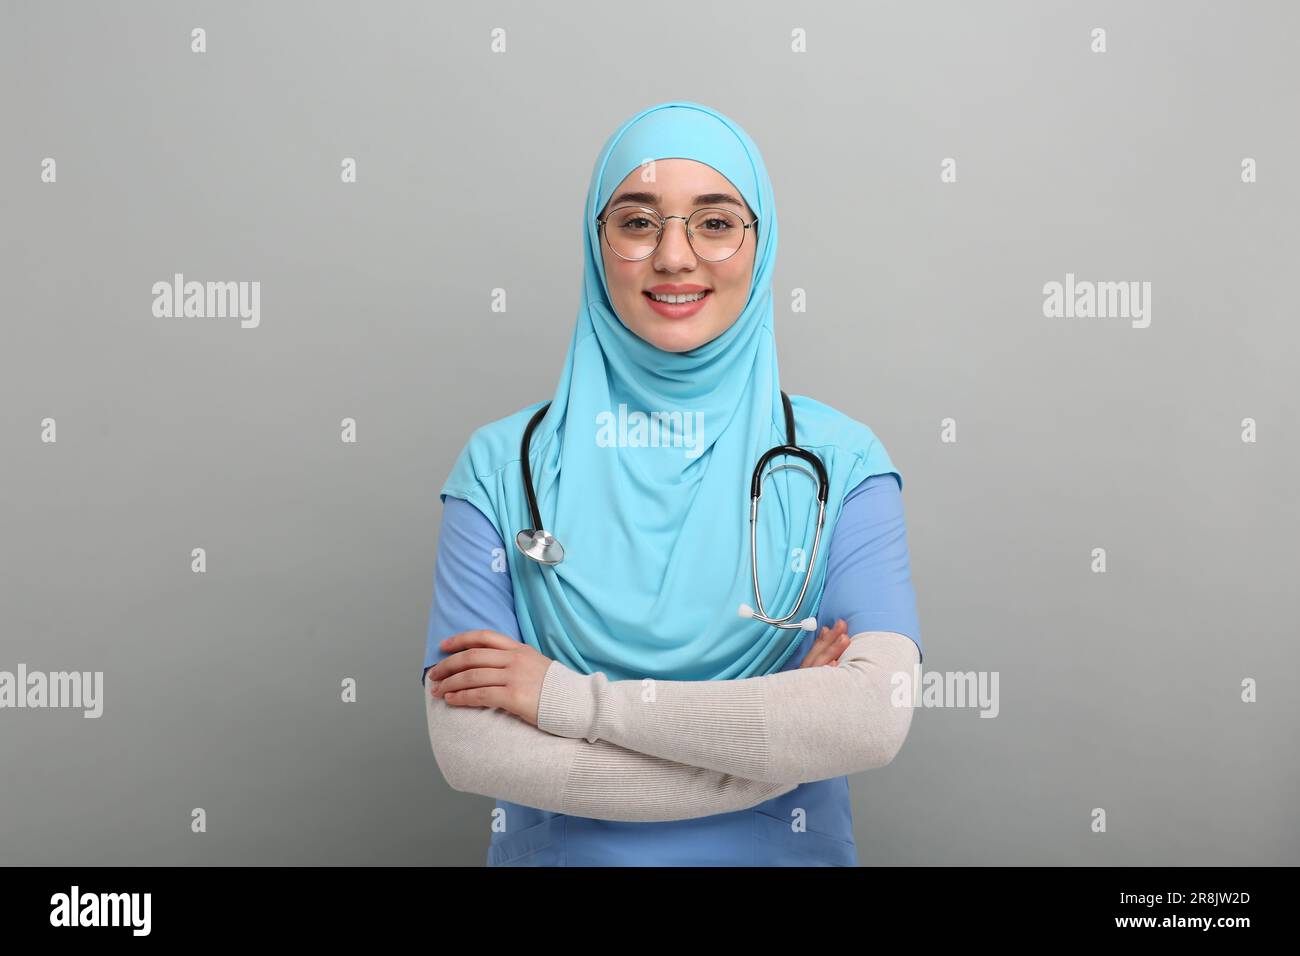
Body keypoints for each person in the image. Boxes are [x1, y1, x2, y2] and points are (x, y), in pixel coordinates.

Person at [422, 101, 923, 866]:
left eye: (715, 223)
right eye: (638, 222)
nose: (675, 257)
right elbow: (471, 750)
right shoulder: (499, 470)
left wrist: (564, 699)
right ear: (596, 244)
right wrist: (773, 754)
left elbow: (871, 717)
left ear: (761, 244)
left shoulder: (841, 463)